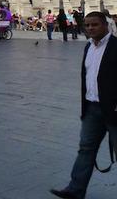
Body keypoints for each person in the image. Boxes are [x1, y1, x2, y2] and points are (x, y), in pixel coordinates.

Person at [50, 12, 117, 199]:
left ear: (105, 25)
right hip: (92, 108)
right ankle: (75, 189)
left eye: (94, 25)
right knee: (85, 149)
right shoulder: (88, 48)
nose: (90, 28)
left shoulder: (115, 46)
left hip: (113, 110)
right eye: (87, 25)